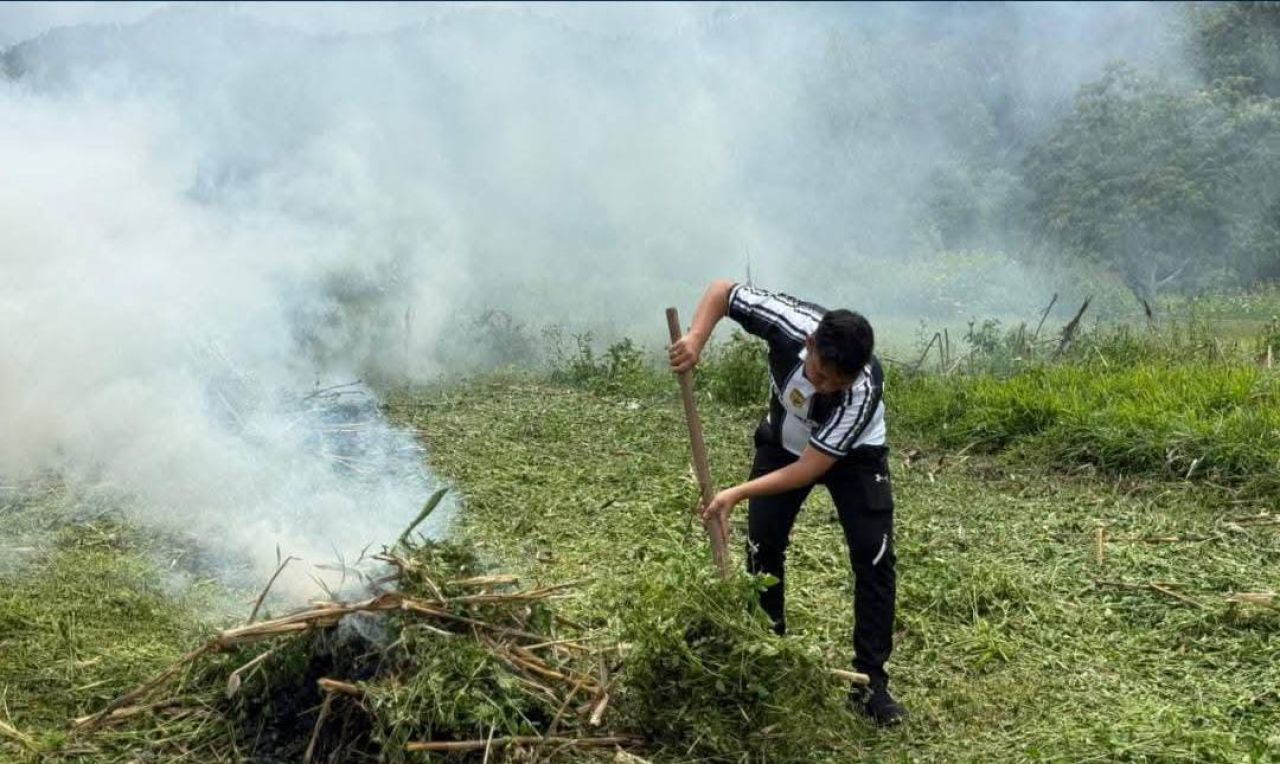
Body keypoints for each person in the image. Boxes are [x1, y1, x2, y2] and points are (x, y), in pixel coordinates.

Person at [668, 279, 906, 726]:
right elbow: (723, 291)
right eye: (819, 375)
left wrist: (736, 492)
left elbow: (811, 468)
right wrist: (695, 340)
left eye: (838, 383)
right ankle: (769, 649)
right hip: (785, 438)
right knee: (763, 544)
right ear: (810, 343)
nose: (827, 386)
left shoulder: (860, 391)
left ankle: (870, 682)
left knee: (874, 557)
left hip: (854, 457)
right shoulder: (789, 322)